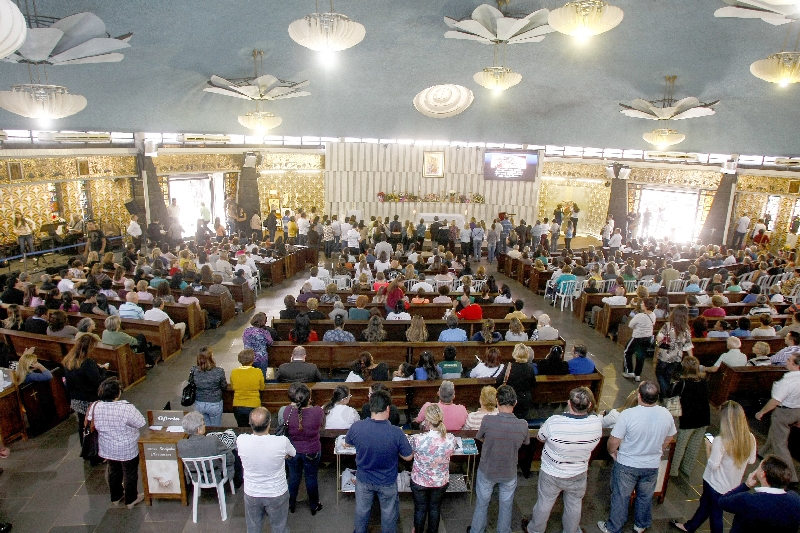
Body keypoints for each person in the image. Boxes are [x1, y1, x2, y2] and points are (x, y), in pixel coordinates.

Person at [597, 381, 676, 533]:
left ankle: (614, 527)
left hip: (627, 464)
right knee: (645, 497)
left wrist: (612, 451)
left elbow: (614, 440)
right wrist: (658, 449)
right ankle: (641, 525)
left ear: (639, 396)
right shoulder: (666, 413)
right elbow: (670, 436)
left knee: (621, 496)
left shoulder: (628, 414)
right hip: (651, 464)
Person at [522, 387, 602, 533]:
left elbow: (540, 438)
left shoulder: (554, 422)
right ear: (590, 405)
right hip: (579, 471)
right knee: (574, 505)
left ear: (569, 403)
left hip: (552, 472)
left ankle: (535, 530)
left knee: (545, 503)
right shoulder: (596, 423)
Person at [669, 400, 756, 533]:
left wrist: (709, 447)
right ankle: (689, 527)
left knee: (715, 515)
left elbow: (713, 465)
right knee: (705, 506)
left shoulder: (721, 441)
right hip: (732, 484)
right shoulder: (750, 438)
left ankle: (690, 527)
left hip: (714, 484)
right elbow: (751, 460)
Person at [344, 389, 413, 533]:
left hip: (363, 479)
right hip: (387, 481)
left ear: (371, 408)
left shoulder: (357, 427)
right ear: (388, 409)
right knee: (388, 513)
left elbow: (348, 443)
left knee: (362, 511)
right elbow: (408, 457)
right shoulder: (396, 432)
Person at [469, 385, 530, 533]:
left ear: (497, 401)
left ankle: (477, 530)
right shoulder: (523, 425)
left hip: (487, 469)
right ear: (515, 403)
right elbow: (525, 442)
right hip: (509, 470)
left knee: (482, 504)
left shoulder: (488, 420)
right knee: (506, 504)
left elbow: (480, 437)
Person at [87, 378, 146, 508]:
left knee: (113, 471)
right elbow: (141, 422)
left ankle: (116, 497)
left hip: (107, 446)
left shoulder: (95, 405)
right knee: (129, 472)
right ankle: (131, 499)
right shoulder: (126, 408)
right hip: (127, 447)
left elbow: (90, 420)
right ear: (117, 393)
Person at [237, 407, 295, 533]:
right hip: (276, 492)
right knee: (279, 526)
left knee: (253, 527)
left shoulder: (241, 440)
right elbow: (293, 453)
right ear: (269, 423)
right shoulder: (281, 441)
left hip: (252, 492)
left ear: (250, 423)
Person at [718, 455, 800, 532]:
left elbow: (723, 501)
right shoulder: (795, 499)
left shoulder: (748, 500)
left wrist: (745, 485)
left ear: (763, 474)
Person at [409, 404, 456, 533]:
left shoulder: (417, 439)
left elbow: (410, 454)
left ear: (427, 421)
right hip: (440, 481)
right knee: (435, 508)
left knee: (420, 508)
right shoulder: (450, 439)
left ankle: (418, 530)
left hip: (420, 481)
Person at [755, 352, 800, 484]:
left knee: (780, 444)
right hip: (797, 411)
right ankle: (763, 453)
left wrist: (761, 412)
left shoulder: (787, 382)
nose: (786, 361)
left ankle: (791, 478)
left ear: (795, 364)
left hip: (783, 412)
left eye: (789, 360)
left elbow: (775, 401)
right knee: (775, 433)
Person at [282, 383, 324, 515]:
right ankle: (314, 505)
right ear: (309, 398)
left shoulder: (287, 411)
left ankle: (291, 503)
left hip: (293, 450)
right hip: (312, 449)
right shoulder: (317, 411)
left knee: (294, 477)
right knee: (311, 477)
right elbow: (321, 425)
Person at [667, 356, 710, 477]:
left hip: (688, 419)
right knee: (694, 446)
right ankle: (687, 469)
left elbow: (669, 394)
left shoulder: (683, 383)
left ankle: (673, 470)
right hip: (704, 418)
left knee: (680, 445)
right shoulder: (703, 381)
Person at [177, 411, 235, 484]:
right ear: (198, 429)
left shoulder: (181, 444)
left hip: (195, 478)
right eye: (203, 424)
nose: (205, 426)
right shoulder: (213, 440)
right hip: (216, 476)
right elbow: (230, 458)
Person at [655, 304, 694, 397]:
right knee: (668, 375)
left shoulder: (668, 326)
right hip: (677, 356)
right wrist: (692, 358)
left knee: (659, 373)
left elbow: (659, 339)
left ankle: (666, 393)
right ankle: (663, 393)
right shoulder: (686, 328)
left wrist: (657, 344)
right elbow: (688, 345)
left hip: (665, 354)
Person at [499, 344, 538, 420]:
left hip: (510, 398)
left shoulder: (509, 367)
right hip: (524, 399)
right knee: (521, 419)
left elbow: (499, 380)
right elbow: (533, 384)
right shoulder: (530, 368)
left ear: (515, 353)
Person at [190, 347, 227, 427]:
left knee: (204, 427)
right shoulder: (219, 371)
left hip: (199, 403)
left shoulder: (194, 370)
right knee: (216, 427)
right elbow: (224, 386)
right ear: (211, 358)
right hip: (214, 403)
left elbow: (192, 384)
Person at [622, 297, 656, 381]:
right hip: (648, 338)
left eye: (642, 303)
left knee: (627, 352)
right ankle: (637, 375)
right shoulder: (653, 315)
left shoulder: (639, 316)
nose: (641, 305)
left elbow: (630, 325)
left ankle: (629, 371)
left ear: (646, 305)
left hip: (637, 337)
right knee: (641, 356)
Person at [230, 349, 266, 427]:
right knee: (254, 428)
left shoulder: (234, 372)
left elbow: (233, 387)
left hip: (238, 405)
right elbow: (262, 387)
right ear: (252, 360)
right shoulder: (258, 372)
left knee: (241, 428)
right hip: (253, 405)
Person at [242, 312, 273, 378]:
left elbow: (244, 340)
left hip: (248, 357)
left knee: (249, 376)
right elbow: (270, 342)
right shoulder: (264, 332)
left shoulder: (246, 331)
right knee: (261, 376)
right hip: (261, 358)